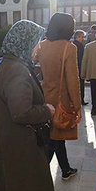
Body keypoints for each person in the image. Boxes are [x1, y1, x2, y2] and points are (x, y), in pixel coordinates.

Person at [0, 19, 81, 191]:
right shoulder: (16, 70)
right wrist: (47, 110)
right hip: (21, 138)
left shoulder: (8, 63)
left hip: (7, 137)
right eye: (35, 40)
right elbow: (21, 112)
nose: (38, 45)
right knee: (39, 182)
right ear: (25, 42)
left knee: (5, 182)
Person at [33, 12, 81, 180]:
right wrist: (77, 106)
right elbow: (73, 80)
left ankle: (66, 169)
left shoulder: (41, 45)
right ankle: (38, 175)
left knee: (56, 136)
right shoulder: (69, 48)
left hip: (44, 97)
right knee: (54, 138)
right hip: (62, 101)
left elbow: (32, 63)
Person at [72, 29, 87, 105]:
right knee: (80, 85)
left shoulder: (72, 44)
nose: (83, 39)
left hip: (73, 69)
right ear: (77, 37)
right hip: (79, 68)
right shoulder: (79, 46)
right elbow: (81, 59)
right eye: (82, 37)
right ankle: (81, 100)